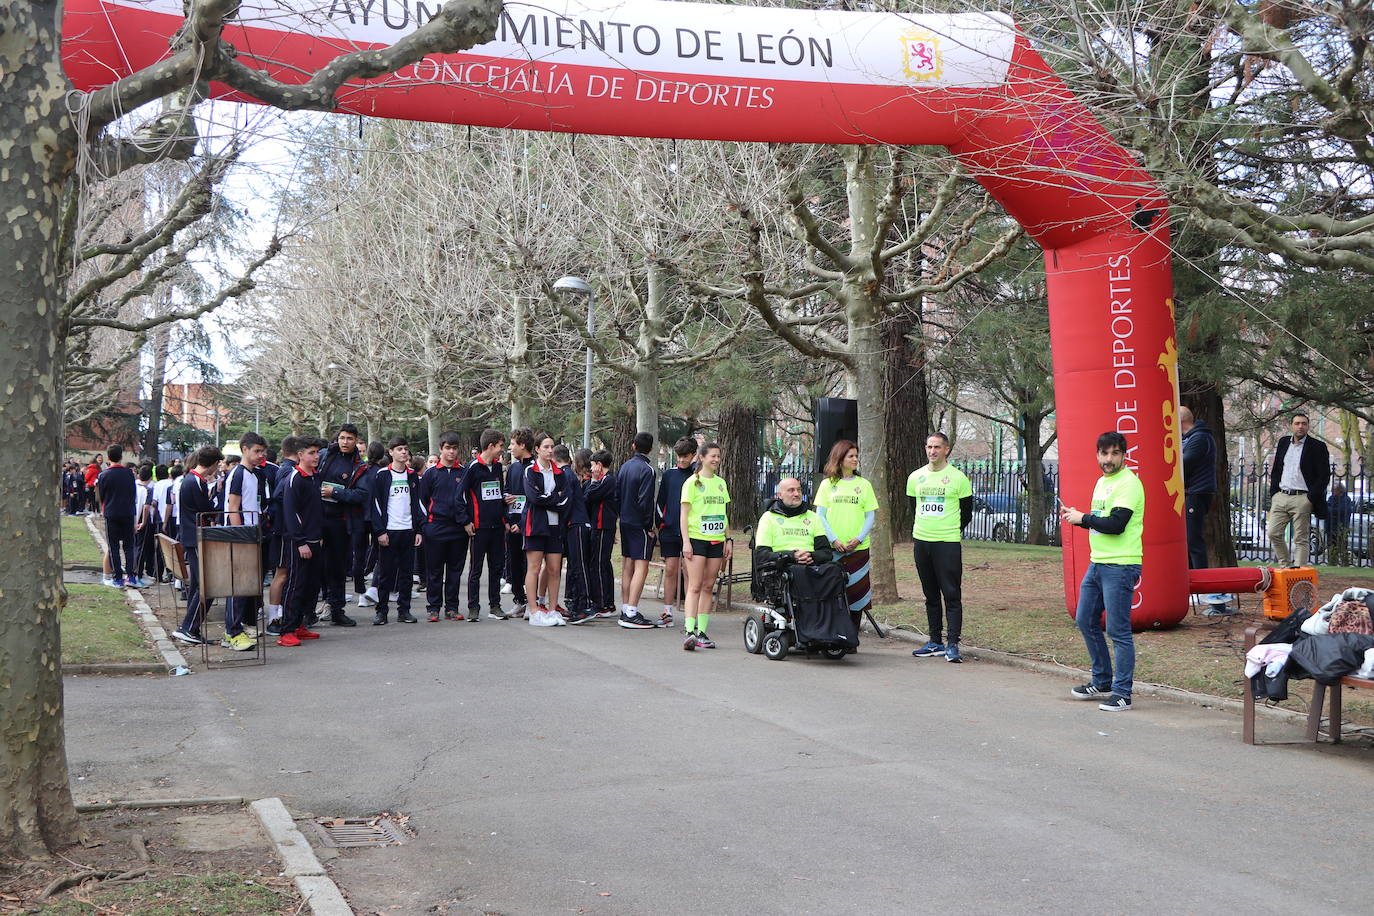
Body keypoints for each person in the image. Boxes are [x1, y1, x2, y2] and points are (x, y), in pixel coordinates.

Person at [1060, 431, 1145, 712]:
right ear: (1097, 455)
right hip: (1098, 563)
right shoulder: (1102, 482)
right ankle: (1103, 680)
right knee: (1085, 620)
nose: (1109, 459)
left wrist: (1082, 518)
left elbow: (1116, 524)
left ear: (1124, 455)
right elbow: (1101, 521)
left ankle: (1123, 694)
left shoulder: (1129, 484)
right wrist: (1081, 517)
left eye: (1115, 454)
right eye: (1104, 454)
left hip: (1121, 565)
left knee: (1118, 631)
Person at [906, 433, 974, 663]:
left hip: (947, 542)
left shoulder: (958, 478)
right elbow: (914, 506)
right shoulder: (916, 477)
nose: (932, 451)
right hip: (922, 541)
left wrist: (949, 528)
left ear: (946, 450)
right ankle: (934, 641)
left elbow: (966, 513)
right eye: (929, 447)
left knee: (951, 594)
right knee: (930, 594)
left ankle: (953, 643)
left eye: (937, 447)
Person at [814, 439, 879, 633]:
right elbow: (820, 515)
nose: (855, 459)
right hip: (834, 550)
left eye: (856, 456)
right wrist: (834, 540)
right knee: (831, 590)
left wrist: (858, 538)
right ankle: (832, 632)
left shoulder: (864, 485)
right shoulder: (827, 485)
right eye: (851, 456)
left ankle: (852, 635)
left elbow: (870, 516)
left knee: (856, 593)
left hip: (858, 549)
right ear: (840, 458)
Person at [1179, 406, 1231, 616]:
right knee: (1188, 540)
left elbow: (1184, 463)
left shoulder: (1199, 438)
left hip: (1197, 493)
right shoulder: (1191, 437)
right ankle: (1193, 583)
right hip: (1191, 492)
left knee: (1194, 541)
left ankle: (1201, 588)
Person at [679, 442, 731, 650]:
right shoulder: (692, 483)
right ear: (701, 457)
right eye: (713, 456)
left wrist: (728, 540)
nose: (716, 460)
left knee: (709, 586)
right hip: (696, 539)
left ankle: (702, 632)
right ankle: (689, 631)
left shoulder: (721, 483)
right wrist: (686, 542)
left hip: (716, 540)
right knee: (695, 585)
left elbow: (723, 514)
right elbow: (683, 514)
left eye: (718, 456)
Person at [171, 446, 224, 645]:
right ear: (213, 464)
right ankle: (189, 627)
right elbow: (207, 510)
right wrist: (217, 496)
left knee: (197, 584)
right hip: (195, 537)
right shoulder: (195, 482)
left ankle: (189, 626)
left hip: (191, 536)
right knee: (207, 585)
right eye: (217, 464)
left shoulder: (191, 480)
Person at [278, 437, 328, 647]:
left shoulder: (315, 477)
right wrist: (300, 541)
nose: (316, 456)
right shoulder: (294, 478)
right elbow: (290, 513)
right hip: (300, 542)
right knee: (295, 585)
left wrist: (319, 535)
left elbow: (315, 510)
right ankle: (286, 630)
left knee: (310, 585)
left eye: (317, 452)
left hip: (316, 540)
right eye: (311, 453)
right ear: (300, 455)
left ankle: (300, 625)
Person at [416, 431, 471, 622]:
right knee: (434, 571)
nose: (451, 452)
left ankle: (452, 608)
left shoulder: (464, 472)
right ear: (441, 449)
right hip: (435, 529)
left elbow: (468, 501)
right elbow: (422, 502)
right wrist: (425, 526)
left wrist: (467, 522)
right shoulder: (431, 474)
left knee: (455, 571)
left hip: (458, 530)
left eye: (455, 448)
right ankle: (433, 608)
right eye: (448, 448)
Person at [368, 437, 423, 625]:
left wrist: (418, 530)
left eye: (406, 449)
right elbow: (374, 505)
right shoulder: (382, 475)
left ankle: (404, 610)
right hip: (389, 531)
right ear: (390, 452)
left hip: (408, 530)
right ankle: (381, 611)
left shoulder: (412, 475)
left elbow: (417, 503)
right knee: (386, 574)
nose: (403, 452)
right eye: (399, 449)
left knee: (406, 574)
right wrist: (380, 531)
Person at [1266, 411, 1331, 567]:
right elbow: (1276, 470)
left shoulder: (1318, 447)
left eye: (1304, 423)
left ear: (1308, 426)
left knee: (1301, 539)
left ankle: (1298, 573)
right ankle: (1286, 566)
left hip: (1302, 498)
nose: (1300, 426)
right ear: (1291, 426)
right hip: (1281, 496)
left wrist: (1310, 498)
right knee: (1273, 533)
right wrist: (1274, 494)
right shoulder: (1283, 443)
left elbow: (1324, 476)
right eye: (1297, 423)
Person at [221, 431, 267, 650]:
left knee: (245, 585)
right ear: (244, 449)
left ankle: (237, 627)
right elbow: (232, 507)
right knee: (236, 586)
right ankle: (232, 633)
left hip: (251, 534)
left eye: (263, 451)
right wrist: (241, 536)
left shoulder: (253, 474)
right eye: (257, 451)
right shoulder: (238, 473)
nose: (260, 455)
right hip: (240, 536)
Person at [317, 425, 367, 626]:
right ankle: (307, 611)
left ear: (356, 441)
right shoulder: (323, 456)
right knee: (315, 567)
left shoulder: (359, 465)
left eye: (350, 438)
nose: (345, 442)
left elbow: (362, 495)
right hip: (318, 518)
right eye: (342, 438)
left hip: (341, 522)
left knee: (337, 568)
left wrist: (335, 493)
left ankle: (337, 609)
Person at [522, 432, 569, 626]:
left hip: (555, 526)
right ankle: (534, 610)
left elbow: (565, 499)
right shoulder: (530, 471)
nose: (550, 450)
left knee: (554, 568)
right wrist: (553, 498)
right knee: (534, 567)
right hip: (535, 525)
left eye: (552, 447)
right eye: (546, 447)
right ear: (537, 449)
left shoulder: (560, 473)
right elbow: (534, 498)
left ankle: (552, 609)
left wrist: (549, 499)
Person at [463, 429, 510, 621]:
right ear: (491, 446)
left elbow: (498, 492)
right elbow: (460, 496)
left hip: (497, 527)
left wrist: (505, 507)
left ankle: (495, 605)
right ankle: (473, 607)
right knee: (476, 569)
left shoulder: (498, 468)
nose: (502, 450)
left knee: (496, 568)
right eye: (500, 446)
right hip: (479, 527)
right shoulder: (473, 467)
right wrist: (466, 521)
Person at [617, 431, 659, 629]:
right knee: (642, 566)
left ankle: (626, 608)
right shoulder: (648, 470)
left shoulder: (624, 467)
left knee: (628, 564)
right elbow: (646, 501)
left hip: (624, 520)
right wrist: (648, 526)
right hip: (638, 523)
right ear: (650, 448)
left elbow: (617, 495)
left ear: (633, 446)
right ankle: (631, 612)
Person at [655, 437, 697, 628]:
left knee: (689, 572)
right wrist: (661, 524)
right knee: (671, 570)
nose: (681, 460)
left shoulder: (698, 477)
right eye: (679, 456)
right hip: (670, 530)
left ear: (694, 455)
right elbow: (660, 502)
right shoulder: (669, 475)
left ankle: (691, 616)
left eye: (685, 456)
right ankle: (667, 611)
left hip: (692, 531)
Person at [264, 436, 299, 633]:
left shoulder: (283, 469)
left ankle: (279, 615)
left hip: (282, 528)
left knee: (284, 573)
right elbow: (279, 497)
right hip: (283, 529)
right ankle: (274, 619)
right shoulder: (288, 471)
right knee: (282, 573)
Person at [95, 445, 139, 588]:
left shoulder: (103, 475)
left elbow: (101, 496)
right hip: (127, 512)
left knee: (113, 546)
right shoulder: (129, 474)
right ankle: (131, 576)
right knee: (129, 546)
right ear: (121, 456)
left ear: (108, 457)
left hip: (111, 512)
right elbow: (133, 495)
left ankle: (118, 578)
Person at [503, 428, 535, 618]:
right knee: (514, 563)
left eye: (513, 443)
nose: (510, 447)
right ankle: (519, 600)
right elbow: (507, 491)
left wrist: (522, 524)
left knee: (531, 565)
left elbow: (533, 499)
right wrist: (507, 517)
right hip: (512, 523)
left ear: (523, 445)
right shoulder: (513, 468)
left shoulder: (534, 467)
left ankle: (533, 602)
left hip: (530, 524)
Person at [561, 447, 596, 624]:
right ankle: (577, 602)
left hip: (578, 524)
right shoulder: (572, 476)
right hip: (575, 524)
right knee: (575, 565)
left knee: (580, 565)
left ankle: (584, 604)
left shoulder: (566, 476)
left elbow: (565, 503)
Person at [585, 449, 619, 618]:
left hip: (602, 527)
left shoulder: (608, 481)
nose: (591, 470)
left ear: (599, 465)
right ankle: (606, 602)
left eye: (592, 466)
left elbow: (589, 496)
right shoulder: (606, 480)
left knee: (598, 564)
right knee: (602, 563)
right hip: (600, 526)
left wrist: (593, 480)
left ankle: (602, 603)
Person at [1327, 480, 1355, 566]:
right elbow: (1327, 508)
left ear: (1340, 490)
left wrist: (1330, 510)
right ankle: (1332, 563)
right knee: (1331, 547)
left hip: (1341, 527)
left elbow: (1341, 510)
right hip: (1330, 526)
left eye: (1334, 490)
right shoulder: (1331, 498)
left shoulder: (1346, 499)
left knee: (1342, 547)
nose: (1332, 491)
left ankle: (1344, 563)